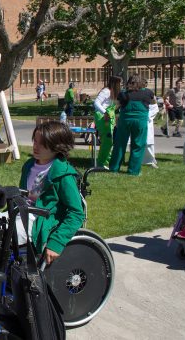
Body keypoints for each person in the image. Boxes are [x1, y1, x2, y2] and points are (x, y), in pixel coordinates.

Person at [16, 121, 84, 265]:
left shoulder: (63, 174)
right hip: (22, 211)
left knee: (3, 236)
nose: (36, 146)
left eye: (42, 143)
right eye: (35, 140)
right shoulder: (29, 165)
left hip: (41, 220)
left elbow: (77, 213)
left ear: (57, 146)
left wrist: (56, 243)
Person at [109, 74, 156, 176]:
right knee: (138, 145)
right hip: (140, 122)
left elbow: (116, 105)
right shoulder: (148, 92)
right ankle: (133, 171)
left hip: (125, 120)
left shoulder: (123, 94)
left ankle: (114, 168)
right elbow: (154, 101)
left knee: (120, 144)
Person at [93, 76, 122, 168]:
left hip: (109, 117)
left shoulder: (113, 93)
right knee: (107, 140)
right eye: (120, 83)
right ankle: (101, 163)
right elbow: (96, 103)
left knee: (109, 141)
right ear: (116, 83)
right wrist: (105, 112)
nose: (121, 85)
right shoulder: (106, 91)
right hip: (103, 117)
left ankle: (106, 161)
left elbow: (112, 106)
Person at [142, 79, 160, 169]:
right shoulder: (137, 94)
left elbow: (155, 107)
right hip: (139, 119)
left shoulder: (150, 93)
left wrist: (147, 116)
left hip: (147, 120)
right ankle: (140, 160)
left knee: (148, 142)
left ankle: (150, 160)